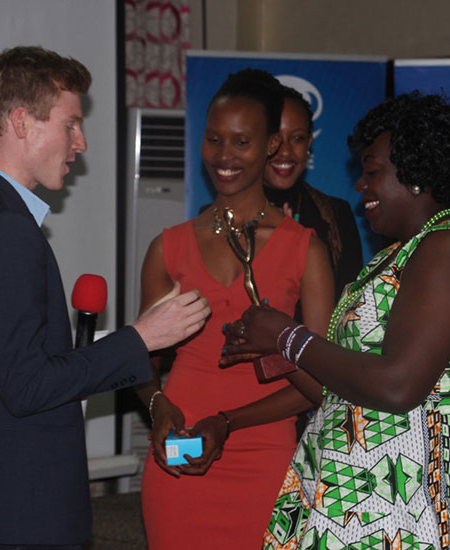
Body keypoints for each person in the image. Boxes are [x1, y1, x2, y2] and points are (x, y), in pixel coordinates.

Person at [0, 46, 210, 549]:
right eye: (71, 124)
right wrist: (141, 338)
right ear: (22, 122)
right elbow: (27, 386)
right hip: (17, 507)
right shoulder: (7, 231)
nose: (80, 142)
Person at [221, 91, 450, 550]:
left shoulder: (448, 247)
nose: (360, 186)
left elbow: (398, 386)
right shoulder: (392, 258)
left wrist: (289, 335)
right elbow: (345, 392)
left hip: (433, 502)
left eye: (372, 171)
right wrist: (279, 349)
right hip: (370, 494)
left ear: (417, 176)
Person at [137, 69, 334, 549]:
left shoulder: (304, 250)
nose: (224, 157)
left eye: (242, 142)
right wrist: (158, 405)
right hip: (179, 451)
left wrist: (228, 422)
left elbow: (323, 381)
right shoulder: (169, 247)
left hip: (264, 455)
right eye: (214, 140)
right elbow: (139, 357)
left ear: (269, 147)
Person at [264, 84, 363, 303]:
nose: (286, 151)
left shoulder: (337, 214)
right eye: (274, 138)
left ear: (309, 142)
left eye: (297, 138)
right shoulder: (224, 216)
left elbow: (346, 313)